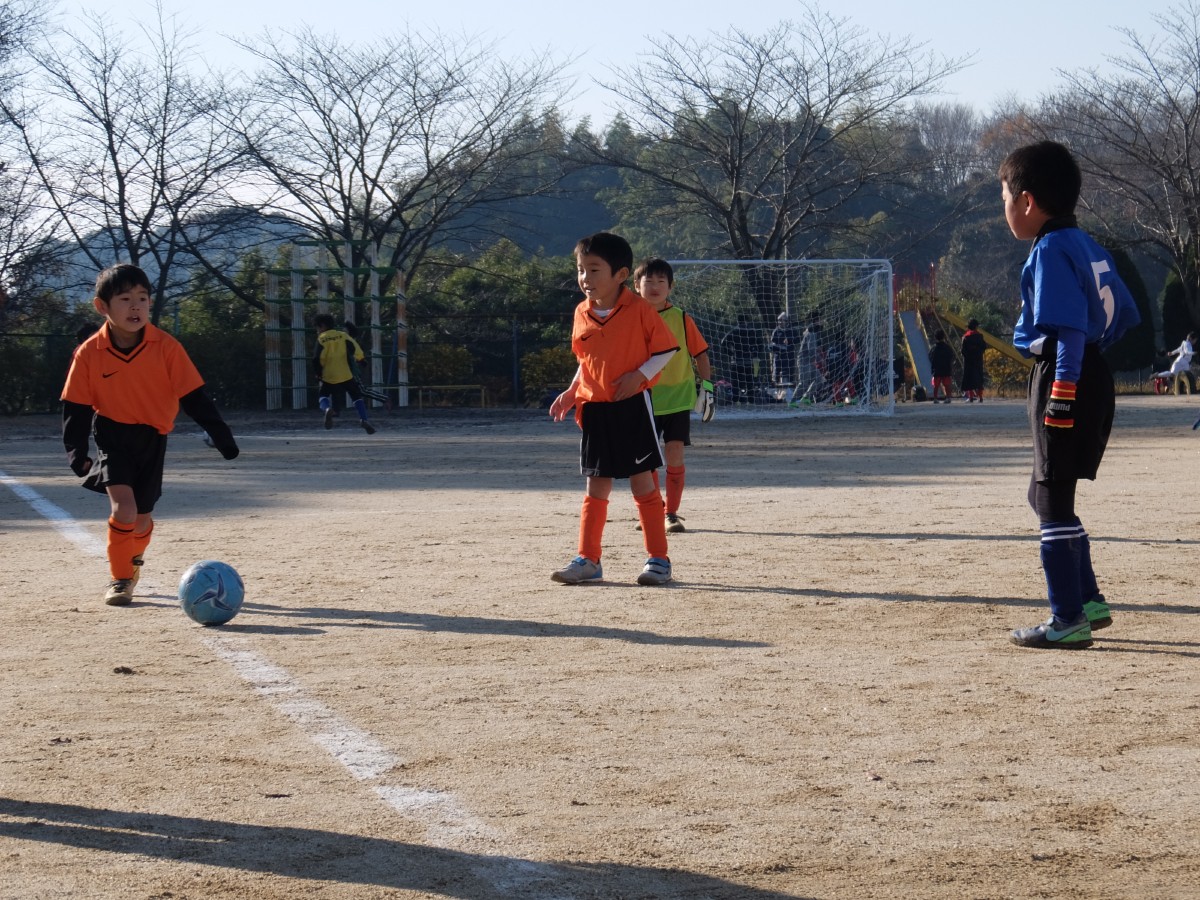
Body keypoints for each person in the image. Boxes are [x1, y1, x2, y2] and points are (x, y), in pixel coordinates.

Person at [1000, 140, 1141, 649]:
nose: (1005, 210)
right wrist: (1088, 370)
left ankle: (1067, 619)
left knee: (1053, 497)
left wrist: (1062, 392)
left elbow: (1069, 329)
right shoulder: (1088, 245)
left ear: (1027, 201)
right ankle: (1090, 601)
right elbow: (1123, 315)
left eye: (1005, 199)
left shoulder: (1051, 248)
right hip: (1090, 371)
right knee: (1042, 493)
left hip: (1067, 375)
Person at [61, 263, 240, 607]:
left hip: (153, 438)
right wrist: (77, 453)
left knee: (141, 519)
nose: (135, 306)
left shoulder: (166, 347)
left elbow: (194, 397)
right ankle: (120, 579)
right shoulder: (89, 353)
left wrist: (222, 437)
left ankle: (133, 559)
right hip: (112, 434)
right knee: (124, 509)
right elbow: (76, 406)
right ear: (102, 306)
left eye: (142, 298)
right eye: (125, 299)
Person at [548, 232, 679, 586]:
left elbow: (666, 350)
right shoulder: (581, 312)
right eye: (581, 270)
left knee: (642, 484)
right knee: (596, 487)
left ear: (620, 275)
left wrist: (640, 375)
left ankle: (658, 560)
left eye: (594, 270)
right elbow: (585, 359)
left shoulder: (640, 309)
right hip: (595, 409)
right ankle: (588, 559)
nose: (585, 278)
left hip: (632, 407)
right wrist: (573, 390)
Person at [634, 257, 714, 534]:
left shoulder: (681, 317)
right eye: (649, 281)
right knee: (646, 460)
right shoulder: (630, 318)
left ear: (671, 287)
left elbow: (700, 354)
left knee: (675, 452)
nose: (655, 286)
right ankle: (652, 510)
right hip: (642, 397)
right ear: (636, 285)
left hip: (678, 397)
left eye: (661, 281)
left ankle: (671, 513)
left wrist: (708, 388)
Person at [313, 313, 376, 434]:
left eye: (317, 327)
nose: (317, 331)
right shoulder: (342, 335)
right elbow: (355, 347)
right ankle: (364, 419)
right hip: (345, 374)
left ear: (322, 326)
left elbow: (316, 358)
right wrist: (361, 359)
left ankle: (327, 409)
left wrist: (318, 373)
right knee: (356, 396)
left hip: (329, 375)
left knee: (323, 395)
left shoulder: (321, 339)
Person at [792, 313, 828, 404]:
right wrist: (821, 360)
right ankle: (792, 401)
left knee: (819, 379)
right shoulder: (811, 333)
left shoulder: (813, 332)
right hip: (804, 361)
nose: (822, 321)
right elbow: (811, 350)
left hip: (810, 362)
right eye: (821, 319)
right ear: (816, 321)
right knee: (803, 383)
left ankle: (806, 398)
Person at [768, 312, 800, 386]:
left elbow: (798, 340)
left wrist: (789, 341)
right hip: (778, 356)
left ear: (786, 321)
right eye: (779, 320)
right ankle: (776, 389)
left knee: (788, 375)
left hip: (789, 357)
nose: (779, 322)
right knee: (776, 374)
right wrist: (774, 347)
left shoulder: (792, 330)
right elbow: (772, 342)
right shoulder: (776, 331)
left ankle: (789, 390)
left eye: (781, 320)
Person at [960, 319, 986, 402]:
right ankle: (980, 397)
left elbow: (963, 350)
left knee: (969, 379)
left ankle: (971, 397)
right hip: (978, 360)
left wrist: (968, 356)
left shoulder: (965, 337)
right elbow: (984, 347)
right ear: (976, 327)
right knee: (979, 378)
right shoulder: (980, 336)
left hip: (968, 361)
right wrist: (978, 354)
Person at [928, 329, 955, 403]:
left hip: (936, 370)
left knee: (936, 385)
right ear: (943, 337)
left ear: (935, 337)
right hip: (946, 369)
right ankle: (948, 398)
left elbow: (930, 357)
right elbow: (951, 356)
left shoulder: (933, 348)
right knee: (947, 385)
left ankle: (935, 399)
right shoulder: (947, 347)